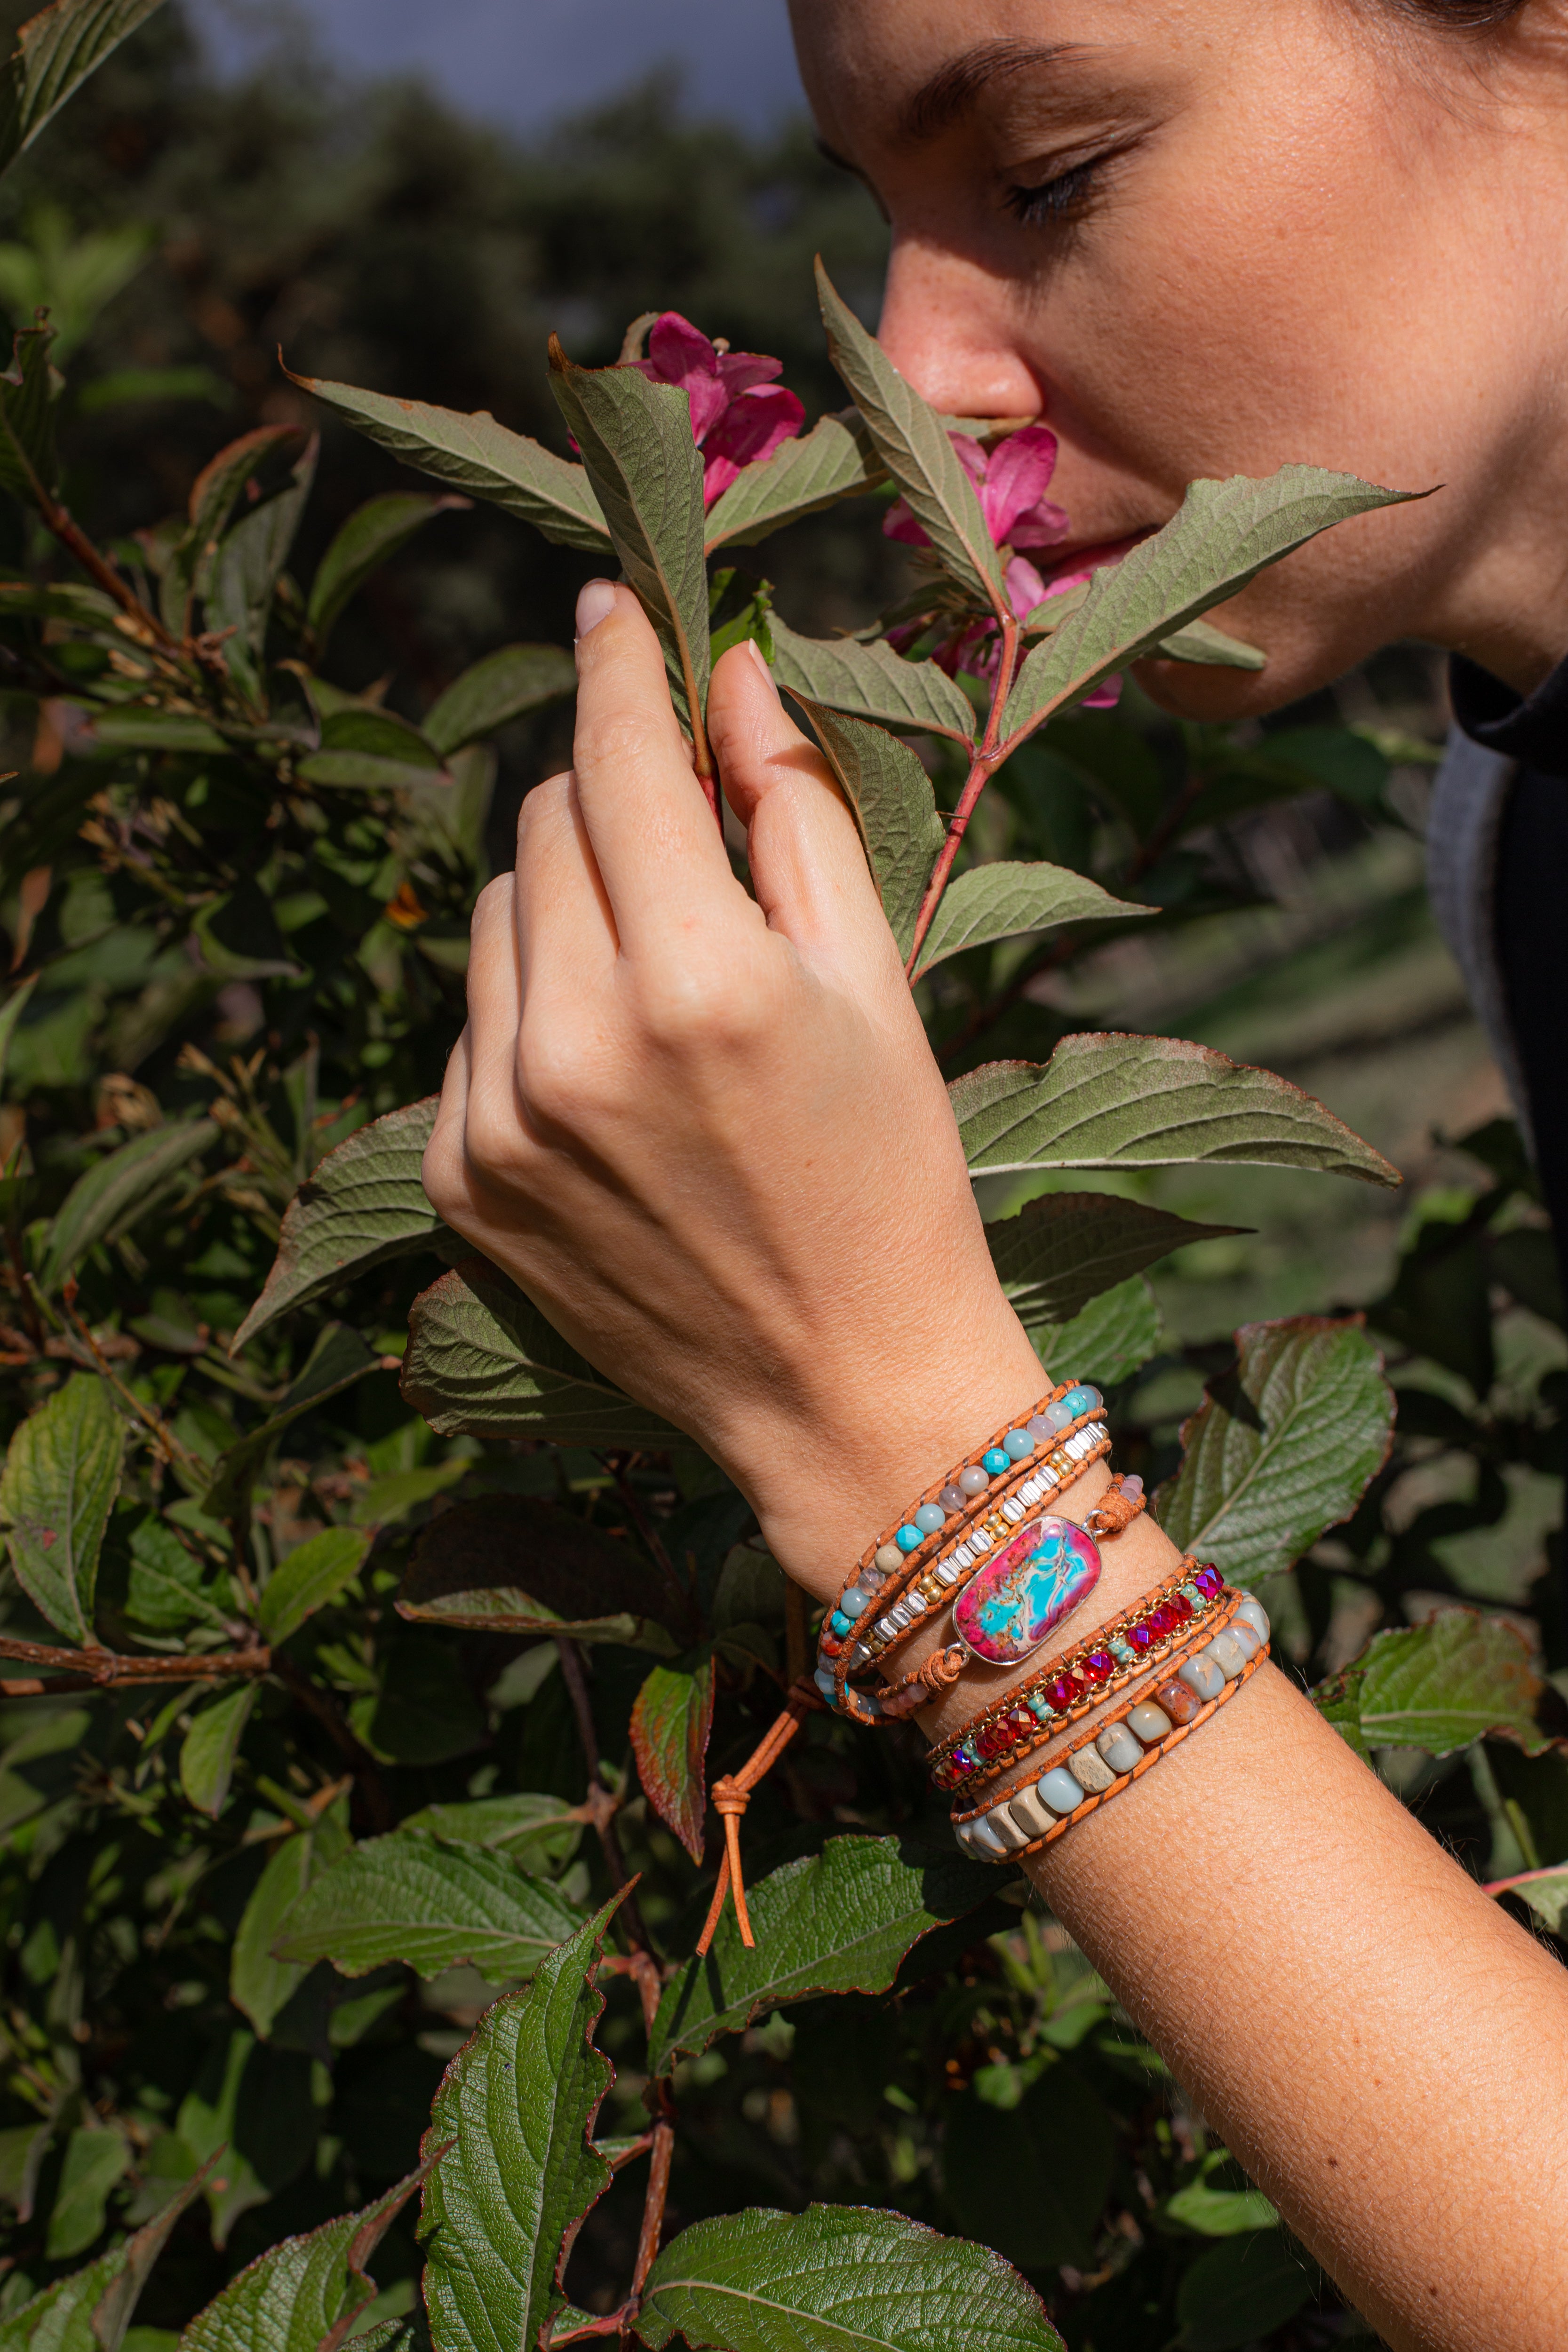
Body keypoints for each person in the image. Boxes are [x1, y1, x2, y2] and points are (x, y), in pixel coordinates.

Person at [424, 5, 1568, 2346]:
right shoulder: (1518, 832)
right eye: (878, 215)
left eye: (1047, 170)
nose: (915, 368)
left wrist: (903, 1442)